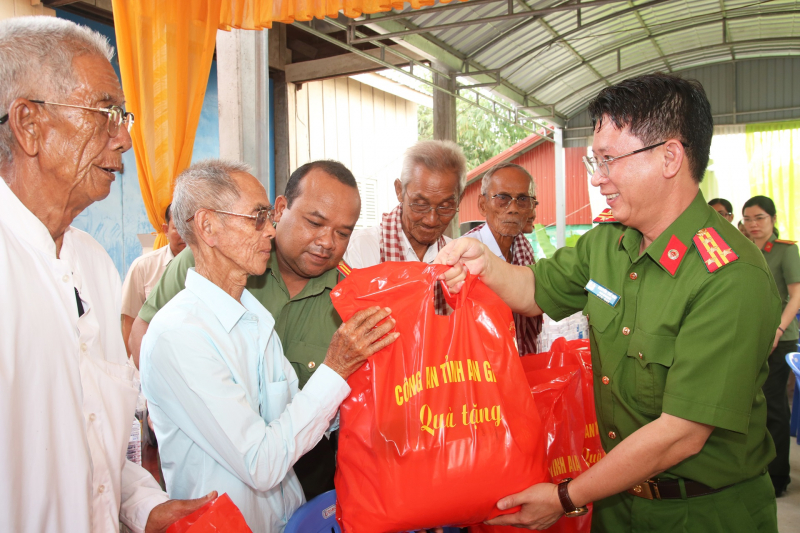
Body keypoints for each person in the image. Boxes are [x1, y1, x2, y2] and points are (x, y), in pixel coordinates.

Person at [436, 73, 781, 532]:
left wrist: (565, 496)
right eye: (593, 162)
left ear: (669, 157)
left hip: (704, 512)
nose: (597, 179)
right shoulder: (608, 242)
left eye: (609, 160)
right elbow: (535, 290)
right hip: (618, 502)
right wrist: (485, 262)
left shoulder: (730, 274)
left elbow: (680, 435)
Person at [0, 16, 214, 532]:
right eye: (104, 112)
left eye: (123, 116)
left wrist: (145, 505)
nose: (122, 138)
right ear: (29, 125)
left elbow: (99, 442)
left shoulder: (92, 261)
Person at [139, 159, 398, 531]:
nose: (271, 232)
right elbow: (262, 463)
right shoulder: (179, 334)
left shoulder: (254, 317)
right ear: (208, 226)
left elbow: (296, 418)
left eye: (267, 218)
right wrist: (336, 368)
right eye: (257, 218)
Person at [343, 140, 466, 314]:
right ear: (399, 191)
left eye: (445, 207)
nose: (431, 220)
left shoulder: (456, 258)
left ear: (459, 199)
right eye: (420, 204)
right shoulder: (362, 249)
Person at [743, 195, 800, 497]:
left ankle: (778, 476)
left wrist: (777, 328)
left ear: (773, 219)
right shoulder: (743, 250)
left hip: (780, 337)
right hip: (752, 337)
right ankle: (758, 466)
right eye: (748, 219)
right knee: (754, 404)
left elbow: (796, 295)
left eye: (760, 218)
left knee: (774, 406)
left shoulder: (785, 251)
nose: (753, 225)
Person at [460, 162, 541, 354]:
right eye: (502, 198)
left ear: (530, 207)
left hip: (519, 359)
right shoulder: (467, 253)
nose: (513, 208)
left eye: (522, 199)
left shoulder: (523, 247)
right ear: (482, 205)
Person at [121, 204, 186, 355]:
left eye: (189, 228)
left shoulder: (209, 267)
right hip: (153, 358)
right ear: (166, 230)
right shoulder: (143, 266)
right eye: (178, 228)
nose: (184, 235)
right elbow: (129, 322)